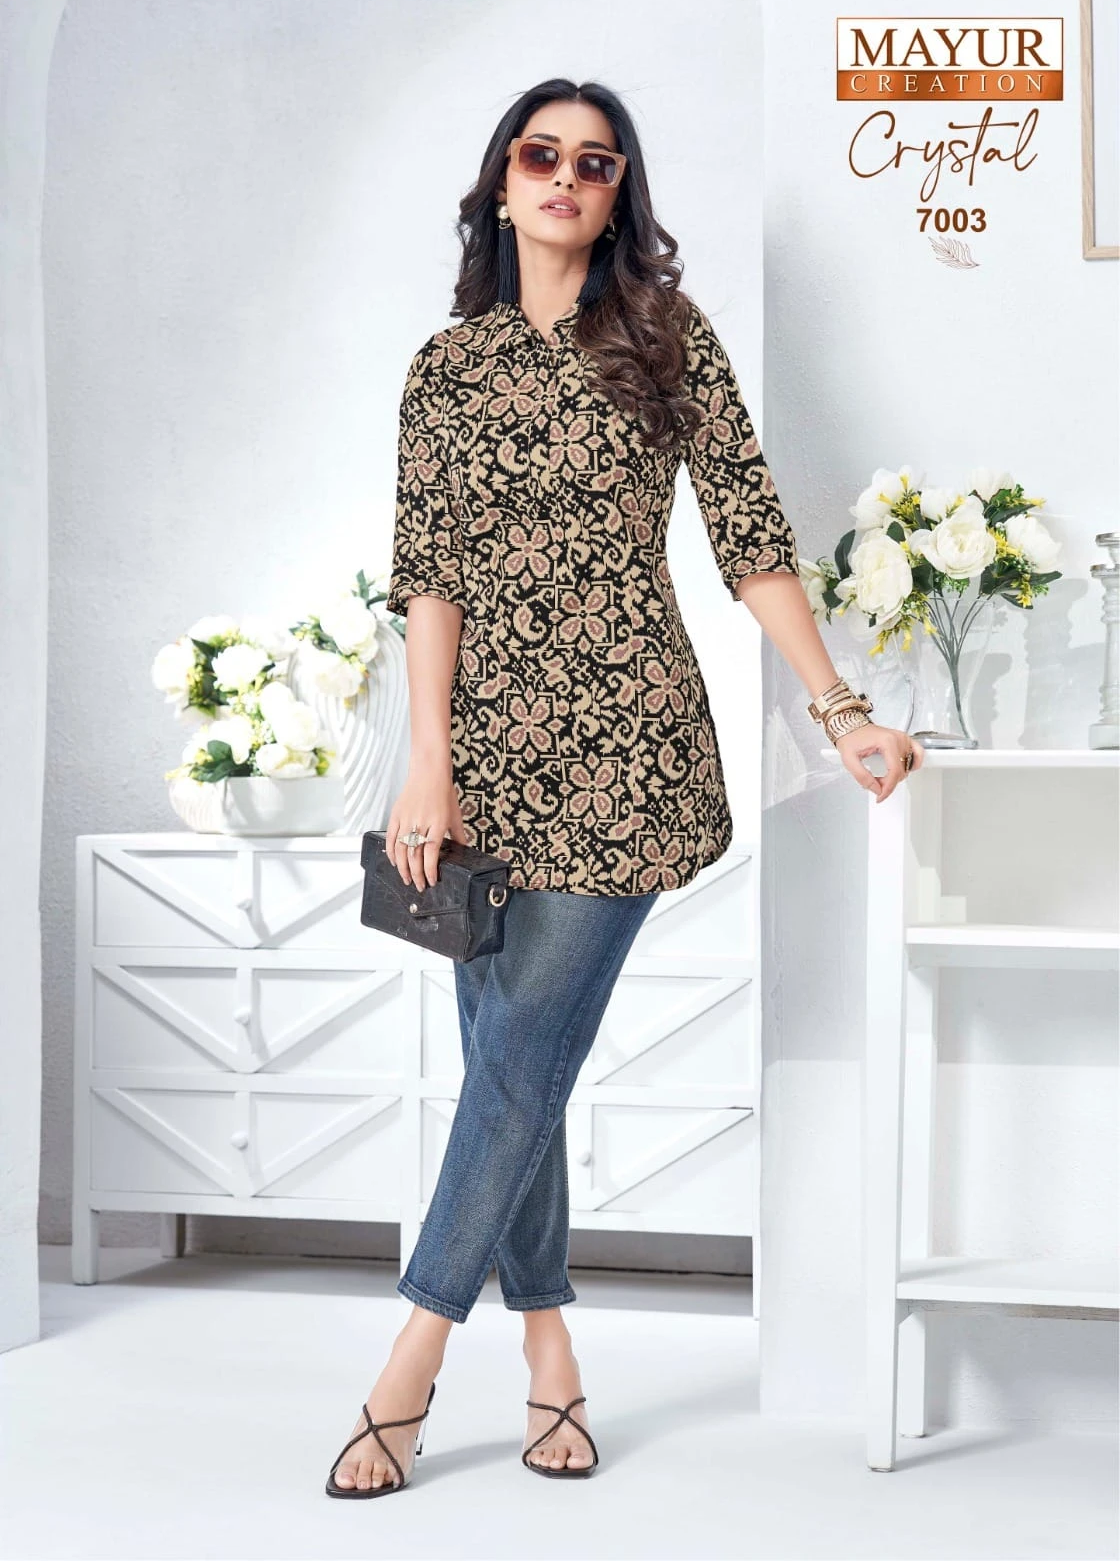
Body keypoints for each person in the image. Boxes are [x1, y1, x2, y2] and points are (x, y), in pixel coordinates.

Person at [325, 77, 924, 1499]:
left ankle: (410, 1357)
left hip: (631, 751)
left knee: (519, 1057)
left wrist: (838, 707)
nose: (565, 177)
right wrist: (427, 762)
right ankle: (552, 1359)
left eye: (594, 163)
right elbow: (429, 576)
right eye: (541, 155)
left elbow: (750, 534)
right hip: (483, 765)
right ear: (501, 182)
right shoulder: (447, 368)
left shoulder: (663, 335)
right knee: (511, 1069)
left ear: (616, 195)